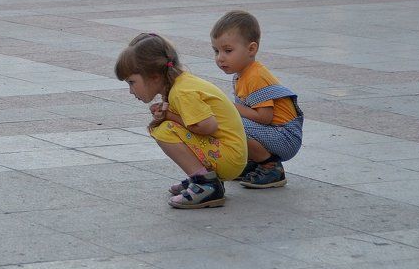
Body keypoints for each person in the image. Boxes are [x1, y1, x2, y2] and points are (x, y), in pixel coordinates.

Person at [115, 33, 247, 209]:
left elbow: (208, 126)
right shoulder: (179, 84)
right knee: (166, 127)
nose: (131, 91)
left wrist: (168, 116)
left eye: (132, 82)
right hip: (230, 154)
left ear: (154, 76)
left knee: (164, 130)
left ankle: (205, 184)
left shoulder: (182, 92)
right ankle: (204, 177)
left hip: (230, 157)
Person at [210, 11, 303, 189]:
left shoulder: (256, 76)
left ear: (251, 49)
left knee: (233, 123)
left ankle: (271, 167)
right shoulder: (241, 75)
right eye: (216, 51)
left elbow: (265, 117)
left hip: (285, 136)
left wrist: (231, 108)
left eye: (228, 51)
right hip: (274, 133)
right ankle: (254, 163)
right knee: (230, 122)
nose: (220, 58)